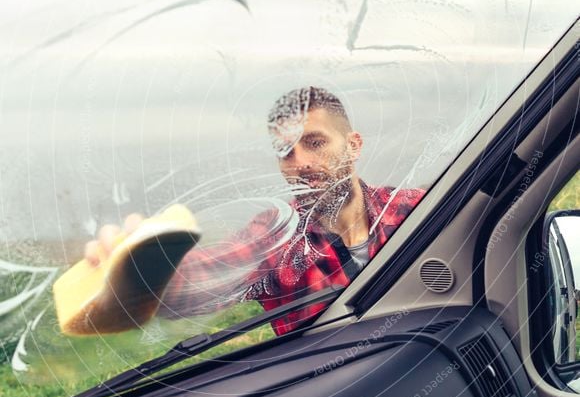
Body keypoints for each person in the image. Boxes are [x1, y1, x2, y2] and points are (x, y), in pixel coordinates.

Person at [85, 87, 425, 335]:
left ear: (353, 145)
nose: (301, 163)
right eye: (285, 151)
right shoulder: (277, 239)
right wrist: (142, 269)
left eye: (315, 143)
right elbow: (204, 277)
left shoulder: (413, 208)